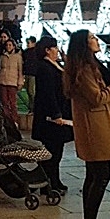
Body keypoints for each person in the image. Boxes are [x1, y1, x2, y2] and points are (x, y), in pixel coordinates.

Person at [63, 30, 110, 219]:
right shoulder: (84, 69)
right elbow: (97, 97)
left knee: (94, 175)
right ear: (84, 45)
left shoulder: (90, 66)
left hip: (96, 123)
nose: (96, 40)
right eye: (92, 38)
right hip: (95, 126)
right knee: (101, 175)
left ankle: (89, 215)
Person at [30, 36, 71, 196]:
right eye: (54, 47)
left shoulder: (56, 65)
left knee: (57, 150)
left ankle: (53, 180)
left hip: (57, 115)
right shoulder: (45, 68)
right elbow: (48, 94)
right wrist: (56, 113)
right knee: (51, 152)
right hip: (50, 119)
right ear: (47, 50)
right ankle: (48, 182)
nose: (57, 50)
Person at [0, 37, 24, 125]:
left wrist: (20, 81)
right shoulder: (2, 56)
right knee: (4, 102)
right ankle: (7, 120)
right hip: (3, 81)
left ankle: (14, 121)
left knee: (13, 103)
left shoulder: (18, 57)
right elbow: (0, 68)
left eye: (10, 45)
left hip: (12, 81)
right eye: (7, 45)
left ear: (14, 46)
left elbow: (20, 70)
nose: (8, 47)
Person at [21, 37, 38, 112]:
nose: (27, 44)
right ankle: (31, 107)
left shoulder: (36, 52)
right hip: (27, 73)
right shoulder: (26, 52)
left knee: (31, 91)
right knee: (28, 91)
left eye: (29, 43)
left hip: (33, 74)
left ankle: (33, 108)